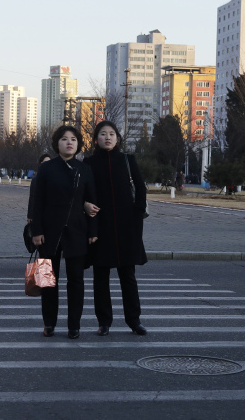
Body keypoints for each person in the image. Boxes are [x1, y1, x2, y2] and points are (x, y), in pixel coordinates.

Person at [31, 126, 97, 339]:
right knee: (47, 280)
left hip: (77, 231)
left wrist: (93, 230)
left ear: (78, 144)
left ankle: (74, 326)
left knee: (76, 281)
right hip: (48, 232)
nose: (69, 142)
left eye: (73, 139)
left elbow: (93, 203)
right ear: (56, 143)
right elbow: (36, 201)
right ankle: (49, 323)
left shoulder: (84, 169)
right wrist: (36, 231)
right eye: (64, 139)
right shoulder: (47, 169)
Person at [83, 120, 148, 337]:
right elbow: (82, 192)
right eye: (103, 134)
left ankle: (134, 320)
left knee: (128, 276)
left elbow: (140, 186)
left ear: (117, 138)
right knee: (100, 276)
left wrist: (137, 212)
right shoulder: (89, 163)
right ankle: (104, 322)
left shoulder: (127, 160)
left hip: (127, 227)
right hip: (101, 227)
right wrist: (86, 206)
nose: (108, 137)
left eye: (111, 134)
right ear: (96, 139)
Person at [27, 153, 52, 224]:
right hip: (39, 213)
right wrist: (30, 215)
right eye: (45, 162)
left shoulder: (54, 179)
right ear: (40, 164)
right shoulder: (36, 180)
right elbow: (32, 197)